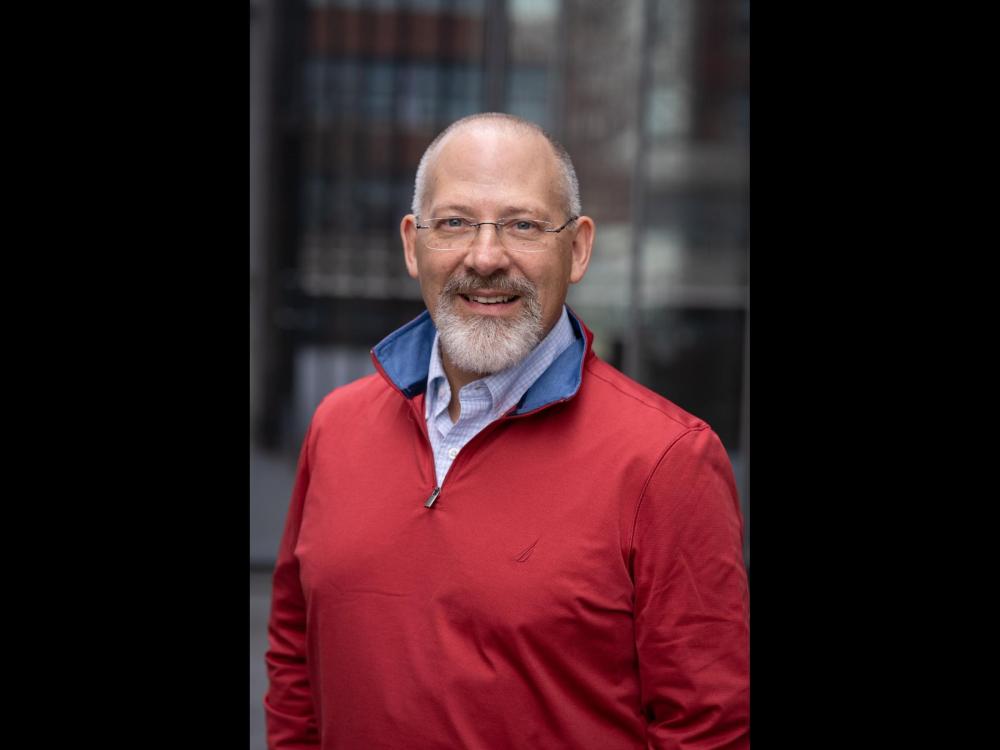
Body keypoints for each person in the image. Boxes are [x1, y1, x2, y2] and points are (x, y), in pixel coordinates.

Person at [264, 112, 749, 749]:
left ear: (576, 249)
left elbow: (707, 731)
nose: (486, 257)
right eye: (456, 223)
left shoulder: (668, 462)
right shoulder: (336, 425)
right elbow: (295, 657)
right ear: (413, 244)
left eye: (521, 224)